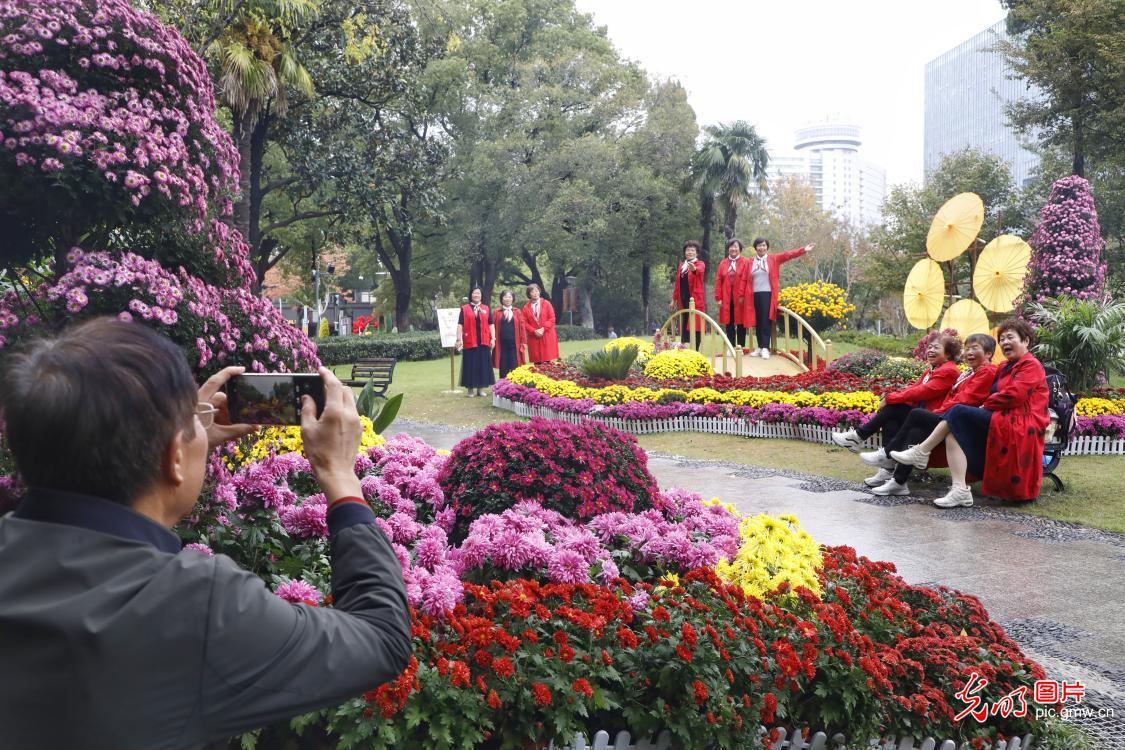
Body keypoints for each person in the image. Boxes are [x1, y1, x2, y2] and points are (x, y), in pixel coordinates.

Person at [0, 318, 411, 748]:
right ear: (174, 457)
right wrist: (339, 474)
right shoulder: (197, 606)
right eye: (192, 422)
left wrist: (175, 449)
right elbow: (381, 637)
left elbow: (115, 530)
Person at [891, 320, 1049, 508]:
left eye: (1010, 337)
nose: (1005, 342)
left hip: (1019, 422)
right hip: (1001, 417)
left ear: (1026, 341)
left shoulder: (1031, 365)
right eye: (1002, 339)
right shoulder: (1005, 367)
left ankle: (920, 452)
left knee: (956, 412)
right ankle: (959, 490)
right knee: (953, 430)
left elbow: (1014, 395)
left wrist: (984, 405)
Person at [868, 333, 999, 496]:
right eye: (967, 349)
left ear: (988, 353)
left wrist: (937, 413)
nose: (969, 352)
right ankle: (897, 480)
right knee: (902, 419)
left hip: (959, 422)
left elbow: (965, 399)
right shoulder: (969, 372)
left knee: (916, 415)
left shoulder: (985, 371)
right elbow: (916, 389)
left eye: (974, 348)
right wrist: (892, 397)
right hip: (950, 416)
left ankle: (884, 454)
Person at [832, 334, 962, 458]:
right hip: (921, 413)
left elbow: (923, 391)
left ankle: (858, 437)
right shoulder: (932, 370)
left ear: (948, 354)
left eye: (936, 347)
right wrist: (891, 397)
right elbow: (913, 388)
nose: (931, 350)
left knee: (893, 408)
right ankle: (887, 464)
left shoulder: (949, 371)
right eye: (930, 347)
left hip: (934, 418)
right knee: (891, 418)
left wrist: (890, 399)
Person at [744, 237, 816, 359]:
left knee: (765, 320)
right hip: (753, 295)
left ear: (767, 247)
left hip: (767, 294)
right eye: (759, 245)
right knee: (757, 321)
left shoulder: (774, 259)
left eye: (764, 245)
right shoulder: (750, 262)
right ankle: (760, 347)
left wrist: (803, 250)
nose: (762, 248)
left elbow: (788, 255)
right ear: (755, 248)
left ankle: (765, 347)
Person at [456, 286, 496, 397]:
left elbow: (491, 324)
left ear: (481, 295)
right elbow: (460, 324)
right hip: (470, 341)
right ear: (471, 295)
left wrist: (493, 338)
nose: (476, 295)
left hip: (484, 341)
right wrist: (458, 339)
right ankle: (470, 390)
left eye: (478, 293)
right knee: (470, 365)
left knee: (482, 365)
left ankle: (481, 389)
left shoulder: (486, 308)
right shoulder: (464, 309)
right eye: (474, 293)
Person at [714, 239, 750, 350]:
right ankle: (731, 347)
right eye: (731, 247)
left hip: (740, 298)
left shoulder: (745, 262)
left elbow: (747, 280)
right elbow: (718, 281)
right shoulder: (723, 263)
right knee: (728, 323)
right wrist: (718, 298)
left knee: (741, 322)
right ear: (728, 249)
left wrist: (743, 296)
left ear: (740, 249)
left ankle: (741, 347)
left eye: (736, 247)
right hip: (726, 298)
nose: (733, 249)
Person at [670, 240, 706, 350]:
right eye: (688, 250)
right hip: (683, 298)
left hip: (695, 299)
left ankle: (695, 349)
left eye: (692, 250)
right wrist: (673, 300)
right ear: (685, 252)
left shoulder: (700, 263)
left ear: (697, 253)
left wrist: (694, 269)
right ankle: (684, 346)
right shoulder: (682, 266)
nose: (690, 252)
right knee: (685, 322)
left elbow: (699, 270)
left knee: (696, 323)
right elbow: (677, 284)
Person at [492, 289, 527, 380]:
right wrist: (492, 339)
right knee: (503, 367)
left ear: (512, 299)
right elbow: (492, 327)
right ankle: (503, 386)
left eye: (510, 297)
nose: (508, 299)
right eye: (505, 297)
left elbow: (522, 327)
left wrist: (524, 342)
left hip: (515, 345)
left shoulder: (517, 311)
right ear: (502, 299)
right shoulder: (496, 312)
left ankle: (515, 386)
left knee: (515, 366)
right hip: (501, 345)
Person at [521, 283, 560, 363]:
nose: (535, 293)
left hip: (546, 335)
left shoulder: (547, 304)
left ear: (539, 291)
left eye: (537, 291)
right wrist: (534, 331)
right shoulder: (526, 307)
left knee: (548, 362)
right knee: (537, 362)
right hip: (534, 337)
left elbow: (552, 318)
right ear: (529, 294)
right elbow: (524, 322)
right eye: (532, 292)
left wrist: (543, 329)